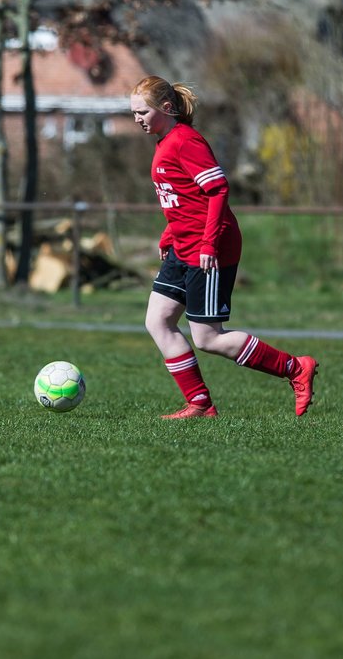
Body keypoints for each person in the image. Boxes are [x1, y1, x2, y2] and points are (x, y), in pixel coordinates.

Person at [130, 75, 319, 418]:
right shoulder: (163, 142)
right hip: (182, 247)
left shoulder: (185, 141)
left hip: (209, 249)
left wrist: (208, 244)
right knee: (157, 320)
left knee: (208, 338)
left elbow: (217, 190)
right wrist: (168, 235)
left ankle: (295, 368)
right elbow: (182, 199)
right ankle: (199, 403)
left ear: (166, 109)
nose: (137, 119)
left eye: (142, 112)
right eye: (134, 113)